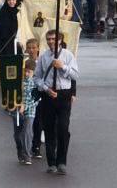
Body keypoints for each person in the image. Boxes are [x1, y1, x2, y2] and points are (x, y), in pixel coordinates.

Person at [34, 29, 78, 175]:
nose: (51, 42)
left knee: (63, 128)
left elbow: (75, 75)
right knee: (49, 129)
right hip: (49, 96)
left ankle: (62, 162)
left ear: (60, 40)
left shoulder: (68, 55)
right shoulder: (43, 57)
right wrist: (46, 89)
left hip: (63, 95)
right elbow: (37, 77)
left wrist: (63, 66)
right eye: (49, 39)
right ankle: (52, 162)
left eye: (53, 39)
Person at [12, 38, 41, 165]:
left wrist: (29, 105)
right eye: (25, 71)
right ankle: (21, 151)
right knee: (17, 133)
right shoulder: (20, 71)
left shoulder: (35, 80)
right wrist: (18, 104)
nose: (27, 73)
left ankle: (28, 154)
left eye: (29, 71)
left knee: (28, 131)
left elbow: (37, 95)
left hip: (31, 108)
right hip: (17, 107)